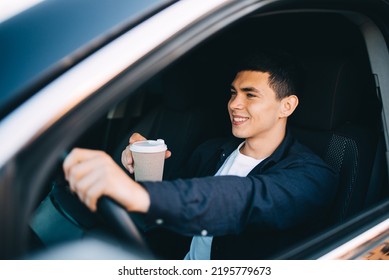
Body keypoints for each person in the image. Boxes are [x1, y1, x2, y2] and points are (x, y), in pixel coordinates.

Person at [63, 51, 338, 259]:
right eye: (233, 93)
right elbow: (182, 196)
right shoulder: (211, 150)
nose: (234, 104)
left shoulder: (312, 176)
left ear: (286, 106)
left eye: (250, 95)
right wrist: (141, 167)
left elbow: (243, 200)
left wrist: (139, 195)